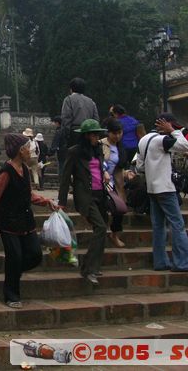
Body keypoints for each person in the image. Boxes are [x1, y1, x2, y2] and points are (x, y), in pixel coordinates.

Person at [0, 133, 57, 307]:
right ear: (19, 151)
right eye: (26, 148)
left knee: (35, 255)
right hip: (9, 222)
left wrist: (46, 201)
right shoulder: (6, 172)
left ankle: (12, 274)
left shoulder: (24, 169)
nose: (29, 151)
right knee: (14, 257)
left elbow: (28, 193)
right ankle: (11, 295)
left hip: (26, 221)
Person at [135, 113, 188, 274]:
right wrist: (173, 131)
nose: (174, 128)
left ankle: (161, 261)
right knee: (177, 225)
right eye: (171, 125)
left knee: (158, 226)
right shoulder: (162, 140)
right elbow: (186, 147)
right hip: (166, 188)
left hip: (152, 188)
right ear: (165, 124)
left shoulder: (143, 140)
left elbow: (139, 167)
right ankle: (183, 262)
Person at [58, 119, 110, 284]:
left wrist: (104, 175)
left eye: (98, 134)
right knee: (100, 227)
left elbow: (100, 168)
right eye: (94, 134)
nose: (97, 137)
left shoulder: (98, 150)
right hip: (85, 196)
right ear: (86, 136)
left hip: (100, 194)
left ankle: (94, 266)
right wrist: (62, 202)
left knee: (102, 228)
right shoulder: (75, 152)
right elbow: (65, 178)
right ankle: (88, 268)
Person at [100, 117, 127, 248]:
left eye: (119, 133)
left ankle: (114, 234)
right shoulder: (101, 144)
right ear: (108, 132)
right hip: (100, 182)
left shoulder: (121, 147)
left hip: (115, 183)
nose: (117, 136)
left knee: (120, 209)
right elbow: (95, 162)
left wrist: (127, 173)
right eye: (114, 133)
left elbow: (121, 166)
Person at [60, 77, 99, 150]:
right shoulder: (91, 101)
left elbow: (66, 119)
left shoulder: (68, 99)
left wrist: (66, 136)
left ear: (71, 89)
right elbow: (96, 119)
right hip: (89, 132)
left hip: (74, 133)